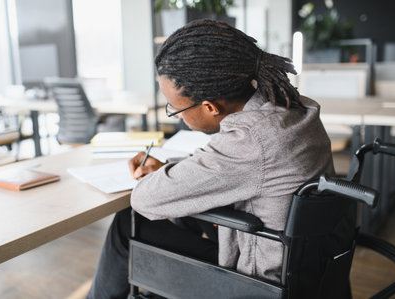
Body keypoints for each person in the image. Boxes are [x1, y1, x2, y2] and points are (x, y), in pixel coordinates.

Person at [87, 19, 334, 299]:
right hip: (302, 266)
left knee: (126, 222)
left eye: (176, 108)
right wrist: (170, 169)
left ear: (210, 107)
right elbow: (243, 169)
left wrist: (160, 177)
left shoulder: (251, 140)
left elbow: (144, 199)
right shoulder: (289, 107)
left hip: (257, 284)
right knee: (186, 209)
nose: (177, 115)